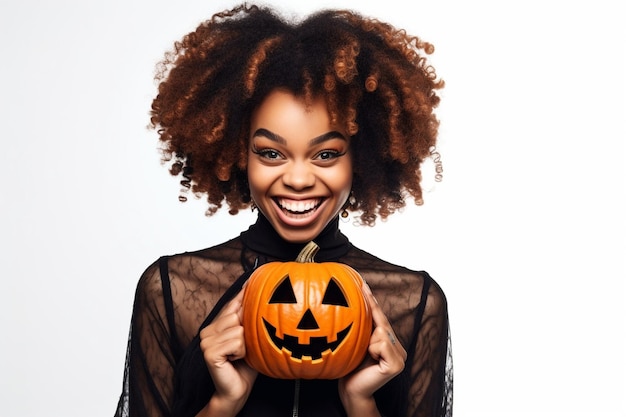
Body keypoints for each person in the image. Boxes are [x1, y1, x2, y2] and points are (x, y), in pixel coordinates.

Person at [115, 3, 452, 417]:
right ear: (240, 155)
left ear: (361, 160)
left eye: (326, 154)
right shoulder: (172, 289)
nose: (297, 179)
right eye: (271, 152)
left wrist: (362, 403)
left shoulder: (414, 302)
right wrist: (222, 404)